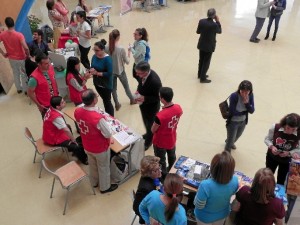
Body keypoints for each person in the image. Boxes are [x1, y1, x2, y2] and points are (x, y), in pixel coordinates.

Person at [74, 89, 118, 193]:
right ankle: (105, 187)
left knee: (92, 164)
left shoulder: (78, 111)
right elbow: (107, 133)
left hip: (87, 144)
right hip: (99, 147)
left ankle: (93, 182)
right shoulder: (97, 118)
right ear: (94, 100)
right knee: (103, 167)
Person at [194, 151, 238, 225]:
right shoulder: (235, 180)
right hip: (222, 215)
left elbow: (199, 205)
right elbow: (233, 193)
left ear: (213, 168)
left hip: (204, 218)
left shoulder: (205, 185)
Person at [42, 96, 88, 164]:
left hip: (49, 133)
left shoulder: (51, 108)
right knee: (76, 146)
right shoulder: (56, 117)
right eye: (62, 102)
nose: (65, 103)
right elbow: (66, 130)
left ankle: (70, 148)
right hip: (52, 138)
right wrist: (73, 140)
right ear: (57, 107)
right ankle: (84, 159)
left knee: (68, 126)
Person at [152, 87, 183, 177]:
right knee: (172, 156)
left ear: (163, 99)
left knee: (161, 161)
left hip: (160, 141)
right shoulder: (178, 108)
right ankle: (172, 173)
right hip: (172, 138)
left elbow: (153, 130)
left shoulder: (160, 116)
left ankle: (164, 176)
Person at [264, 113, 300, 185]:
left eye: (293, 129)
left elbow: (298, 149)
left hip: (286, 161)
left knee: (281, 180)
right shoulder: (275, 127)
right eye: (288, 128)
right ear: (284, 124)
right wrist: (271, 146)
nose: (289, 131)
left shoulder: (299, 134)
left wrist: (290, 153)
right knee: (267, 176)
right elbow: (267, 139)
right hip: (272, 157)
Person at [135, 61, 162, 150]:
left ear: (146, 72)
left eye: (139, 73)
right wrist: (138, 91)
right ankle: (147, 133)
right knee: (145, 122)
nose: (137, 75)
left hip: (152, 108)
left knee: (151, 125)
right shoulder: (142, 74)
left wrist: (145, 98)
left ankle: (148, 142)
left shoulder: (155, 82)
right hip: (143, 105)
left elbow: (158, 98)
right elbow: (140, 84)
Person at [107, 29, 135, 111]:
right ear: (118, 37)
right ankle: (132, 99)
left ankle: (117, 104)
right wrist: (129, 52)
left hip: (111, 72)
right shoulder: (121, 49)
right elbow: (127, 61)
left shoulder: (106, 47)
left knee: (113, 89)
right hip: (120, 71)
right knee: (126, 87)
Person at [0, 17, 30, 94]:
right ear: (13, 23)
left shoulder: (2, 35)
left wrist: (3, 53)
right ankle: (26, 90)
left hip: (11, 58)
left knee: (15, 72)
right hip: (21, 58)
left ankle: (19, 89)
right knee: (23, 73)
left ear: (6, 25)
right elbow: (25, 47)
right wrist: (28, 54)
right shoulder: (19, 35)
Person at [225, 80, 255, 152]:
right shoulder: (234, 96)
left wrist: (247, 103)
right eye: (242, 91)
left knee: (237, 136)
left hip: (243, 121)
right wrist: (245, 111)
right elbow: (232, 111)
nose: (244, 94)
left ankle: (229, 142)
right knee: (231, 138)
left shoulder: (250, 95)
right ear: (239, 90)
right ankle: (227, 151)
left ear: (250, 91)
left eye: (246, 92)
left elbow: (252, 110)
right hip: (233, 122)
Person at [27, 53, 59, 118]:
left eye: (49, 62)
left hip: (55, 100)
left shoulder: (51, 68)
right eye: (46, 64)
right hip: (45, 105)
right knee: (49, 123)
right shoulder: (34, 78)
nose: (49, 65)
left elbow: (54, 80)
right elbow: (30, 93)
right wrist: (39, 105)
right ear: (39, 64)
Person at [133, 155, 163, 225]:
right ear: (149, 173)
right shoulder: (145, 189)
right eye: (157, 170)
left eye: (159, 167)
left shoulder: (154, 176)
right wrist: (149, 221)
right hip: (151, 216)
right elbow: (137, 208)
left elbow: (163, 175)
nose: (160, 171)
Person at [196, 8, 221, 83]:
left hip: (201, 44)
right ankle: (203, 78)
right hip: (209, 46)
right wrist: (218, 21)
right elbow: (219, 31)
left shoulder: (201, 21)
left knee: (201, 60)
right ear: (214, 16)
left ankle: (200, 74)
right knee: (206, 62)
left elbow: (198, 32)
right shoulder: (214, 25)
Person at [90, 39, 114, 116]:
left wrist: (97, 73)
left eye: (97, 50)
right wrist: (91, 70)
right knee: (104, 99)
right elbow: (92, 66)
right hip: (97, 83)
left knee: (107, 101)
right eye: (94, 50)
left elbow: (109, 73)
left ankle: (111, 117)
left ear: (103, 50)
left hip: (106, 84)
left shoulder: (107, 59)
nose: (95, 52)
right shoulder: (94, 56)